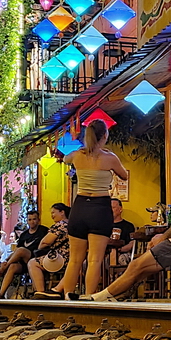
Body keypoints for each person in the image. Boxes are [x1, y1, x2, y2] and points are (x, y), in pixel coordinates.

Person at [88, 155, 171, 302]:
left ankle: (99, 297)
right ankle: (120, 294)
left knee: (136, 265)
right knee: (142, 267)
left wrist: (163, 237)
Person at [52, 120, 128, 299]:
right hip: (100, 208)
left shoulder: (77, 155)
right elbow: (124, 175)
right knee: (94, 259)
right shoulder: (110, 158)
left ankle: (68, 296)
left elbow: (64, 158)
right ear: (105, 136)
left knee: (75, 259)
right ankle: (89, 297)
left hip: (79, 208)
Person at [0, 210, 47, 298]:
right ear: (27, 221)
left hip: (37, 259)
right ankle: (1, 294)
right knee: (12, 266)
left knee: (21, 250)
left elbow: (20, 250)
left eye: (34, 219)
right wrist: (6, 261)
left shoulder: (43, 230)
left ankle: (1, 270)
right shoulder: (24, 235)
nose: (32, 222)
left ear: (38, 220)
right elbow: (16, 252)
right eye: (30, 219)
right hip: (24, 262)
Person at [30, 203, 70, 295]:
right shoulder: (72, 224)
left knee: (33, 263)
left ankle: (40, 292)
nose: (52, 216)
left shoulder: (60, 225)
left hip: (60, 259)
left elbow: (45, 242)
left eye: (53, 212)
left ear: (62, 212)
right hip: (72, 259)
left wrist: (40, 248)